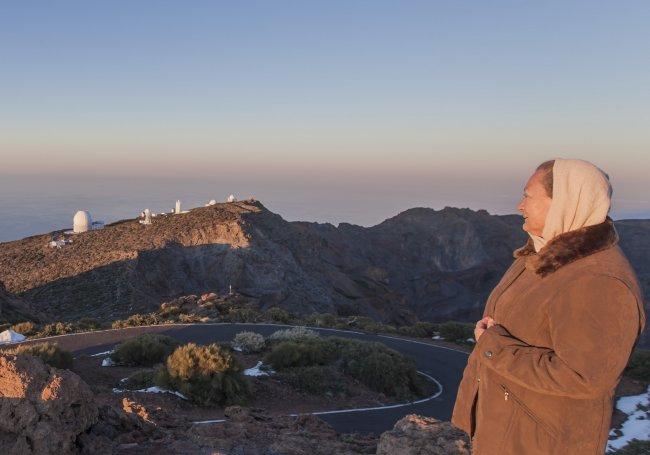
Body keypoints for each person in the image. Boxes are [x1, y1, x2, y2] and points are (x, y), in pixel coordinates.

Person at [451, 158, 646, 454]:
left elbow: (584, 378)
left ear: (565, 202)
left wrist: (494, 347)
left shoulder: (598, 280)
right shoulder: (541, 255)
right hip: (503, 433)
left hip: (540, 443)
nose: (520, 205)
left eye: (528, 195)